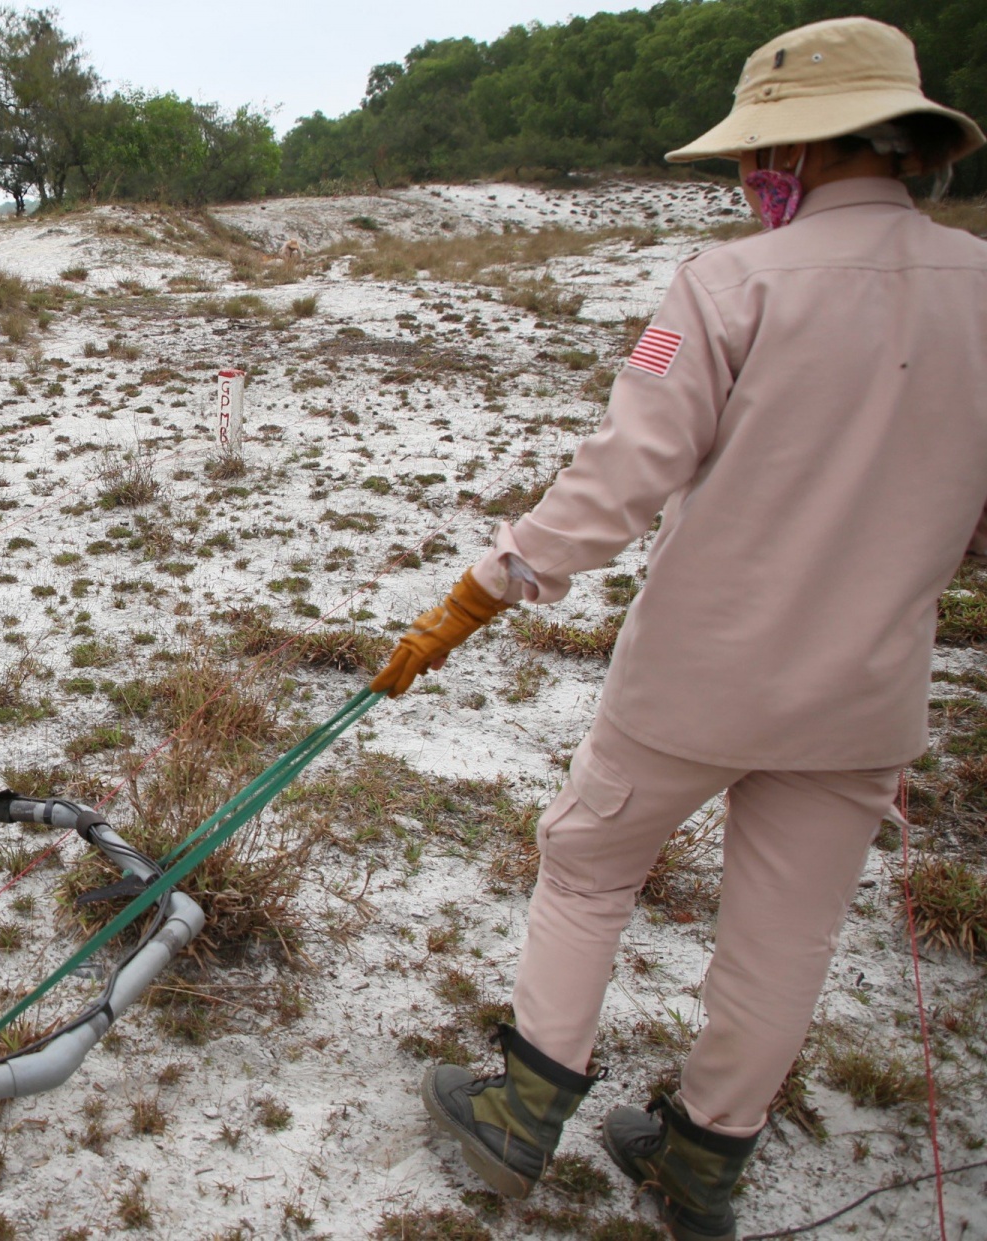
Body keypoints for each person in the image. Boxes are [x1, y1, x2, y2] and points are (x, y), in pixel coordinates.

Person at [370, 19, 986, 1241]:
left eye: (760, 158)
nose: (752, 181)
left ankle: (520, 1112)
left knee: (589, 864)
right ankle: (702, 1162)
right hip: (865, 694)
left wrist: (491, 582)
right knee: (788, 933)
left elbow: (624, 473)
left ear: (795, 153)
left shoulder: (726, 285)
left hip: (697, 677)